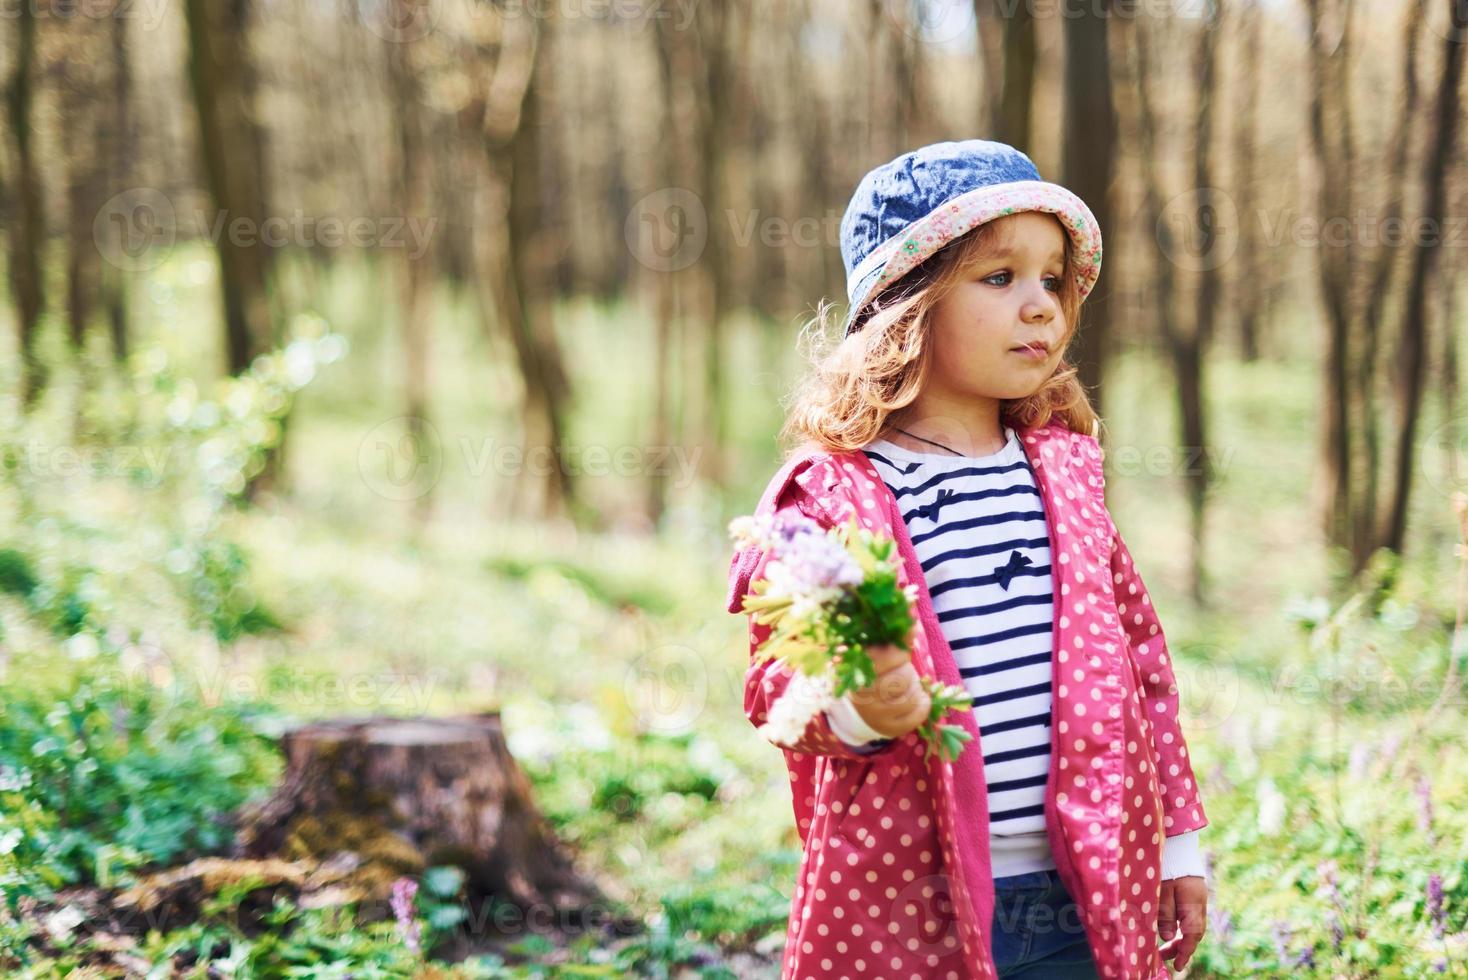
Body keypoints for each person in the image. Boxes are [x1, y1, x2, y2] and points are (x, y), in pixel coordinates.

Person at [727, 139, 1209, 979]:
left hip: (1086, 884)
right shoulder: (835, 495)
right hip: (908, 899)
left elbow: (1143, 664)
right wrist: (863, 708)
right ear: (905, 304)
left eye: (1053, 279)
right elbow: (777, 684)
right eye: (1001, 278)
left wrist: (1178, 843)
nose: (1042, 308)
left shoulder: (1062, 471)